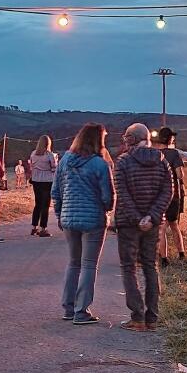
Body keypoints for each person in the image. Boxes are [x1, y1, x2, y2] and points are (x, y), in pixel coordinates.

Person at [52, 124, 115, 324]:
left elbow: (56, 192)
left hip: (69, 218)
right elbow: (108, 196)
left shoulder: (65, 161)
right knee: (89, 265)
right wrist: (107, 208)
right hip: (93, 219)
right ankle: (81, 311)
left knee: (73, 263)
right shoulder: (99, 164)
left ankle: (68, 308)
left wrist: (60, 214)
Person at [114, 123, 172, 332]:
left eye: (126, 137)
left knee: (129, 267)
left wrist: (137, 218)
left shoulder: (123, 162)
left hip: (128, 223)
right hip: (153, 224)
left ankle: (137, 316)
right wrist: (152, 216)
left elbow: (122, 193)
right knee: (150, 266)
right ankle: (152, 317)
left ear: (131, 139)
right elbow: (168, 192)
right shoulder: (162, 161)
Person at [156, 127, 186, 267]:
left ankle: (164, 258)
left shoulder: (154, 154)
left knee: (161, 227)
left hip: (157, 196)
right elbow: (180, 175)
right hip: (173, 195)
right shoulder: (174, 154)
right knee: (174, 224)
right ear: (169, 139)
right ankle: (181, 253)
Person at [29, 135, 57, 237]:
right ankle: (43, 228)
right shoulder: (49, 155)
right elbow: (54, 168)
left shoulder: (33, 154)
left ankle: (34, 227)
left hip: (36, 180)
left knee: (38, 204)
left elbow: (31, 166)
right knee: (45, 205)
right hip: (47, 181)